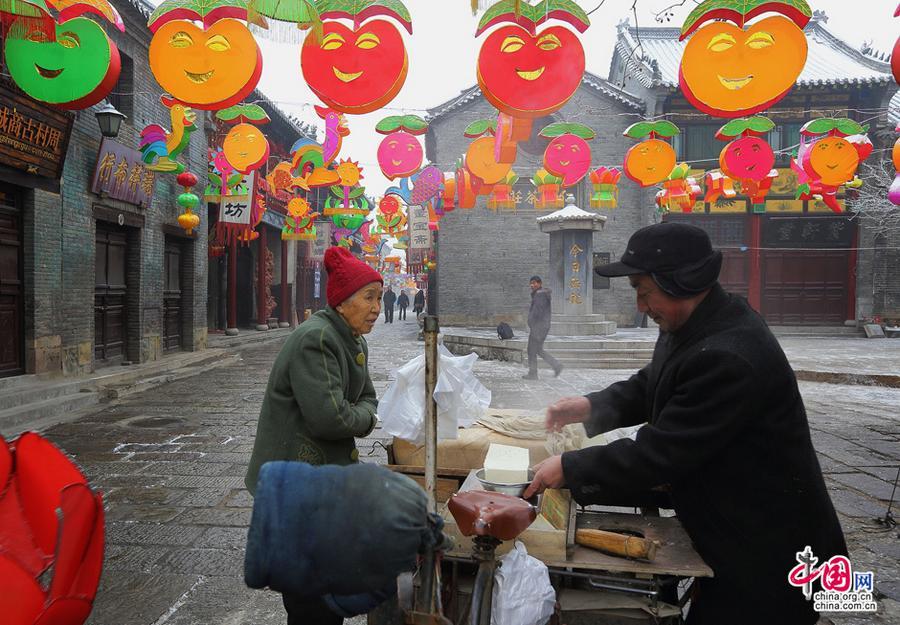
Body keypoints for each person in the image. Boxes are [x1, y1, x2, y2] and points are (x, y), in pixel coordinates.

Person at [524, 223, 846, 625]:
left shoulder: (730, 356)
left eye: (644, 291)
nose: (641, 305)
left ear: (682, 282)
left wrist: (571, 467)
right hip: (733, 522)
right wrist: (590, 406)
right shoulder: (696, 324)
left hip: (772, 550)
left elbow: (662, 452)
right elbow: (654, 383)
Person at [245, 245, 383, 625]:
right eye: (368, 297)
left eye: (380, 298)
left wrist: (361, 412)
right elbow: (331, 419)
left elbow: (367, 396)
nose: (376, 307)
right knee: (311, 599)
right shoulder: (317, 339)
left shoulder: (353, 338)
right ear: (341, 301)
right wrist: (365, 418)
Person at [523, 275, 562, 380]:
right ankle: (556, 365)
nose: (532, 285)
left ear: (540, 284)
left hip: (538, 327)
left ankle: (533, 373)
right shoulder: (541, 294)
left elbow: (537, 312)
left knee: (531, 350)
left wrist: (531, 322)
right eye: (531, 283)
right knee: (537, 349)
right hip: (541, 326)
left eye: (534, 283)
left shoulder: (540, 295)